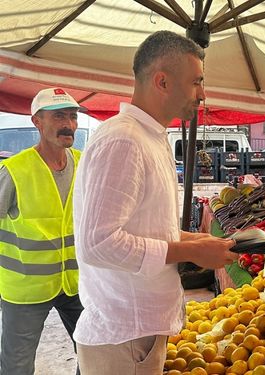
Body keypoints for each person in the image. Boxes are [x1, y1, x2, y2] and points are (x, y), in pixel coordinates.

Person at [73, 31, 238, 374]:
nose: (203, 95)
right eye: (196, 82)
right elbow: (99, 244)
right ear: (162, 81)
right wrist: (188, 251)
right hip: (124, 337)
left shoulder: (150, 137)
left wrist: (200, 241)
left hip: (137, 334)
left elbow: (147, 228)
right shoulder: (124, 141)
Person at [0, 88, 85, 375]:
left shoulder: (84, 163)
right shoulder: (14, 170)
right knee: (17, 367)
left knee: (95, 352)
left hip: (75, 282)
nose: (69, 124)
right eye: (59, 116)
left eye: (72, 116)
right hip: (26, 289)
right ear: (37, 121)